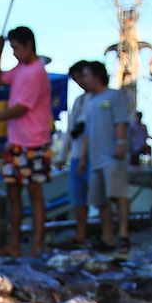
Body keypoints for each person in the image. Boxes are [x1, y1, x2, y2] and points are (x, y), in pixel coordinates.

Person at [0, 26, 51, 256]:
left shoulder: (36, 71)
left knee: (35, 194)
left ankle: (36, 245)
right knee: (13, 192)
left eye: (16, 49)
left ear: (29, 46)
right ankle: (14, 243)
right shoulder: (20, 69)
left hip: (34, 143)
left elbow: (19, 109)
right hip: (16, 142)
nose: (14, 54)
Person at [78, 61, 130, 253]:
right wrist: (84, 159)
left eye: (86, 75)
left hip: (112, 156)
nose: (84, 80)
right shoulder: (89, 102)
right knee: (101, 201)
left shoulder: (115, 96)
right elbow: (87, 133)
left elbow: (121, 121)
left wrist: (120, 144)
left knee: (119, 196)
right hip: (95, 159)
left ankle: (123, 236)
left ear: (96, 75)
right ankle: (107, 239)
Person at [54, 60, 92, 247]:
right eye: (76, 78)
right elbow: (71, 131)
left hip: (95, 155)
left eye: (81, 76)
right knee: (78, 199)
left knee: (100, 199)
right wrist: (62, 157)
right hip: (77, 156)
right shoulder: (78, 101)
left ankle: (108, 235)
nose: (79, 81)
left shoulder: (100, 98)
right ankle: (81, 234)